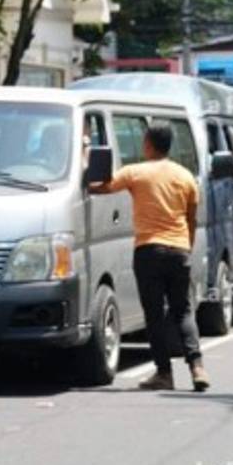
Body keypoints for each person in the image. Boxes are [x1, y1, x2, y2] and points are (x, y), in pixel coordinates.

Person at [89, 122, 208, 392]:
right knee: (183, 311)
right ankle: (197, 366)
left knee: (154, 315)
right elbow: (191, 219)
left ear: (149, 144)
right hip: (179, 252)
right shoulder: (186, 176)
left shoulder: (135, 172)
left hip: (149, 251)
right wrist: (185, 249)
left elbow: (102, 187)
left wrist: (86, 171)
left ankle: (164, 373)